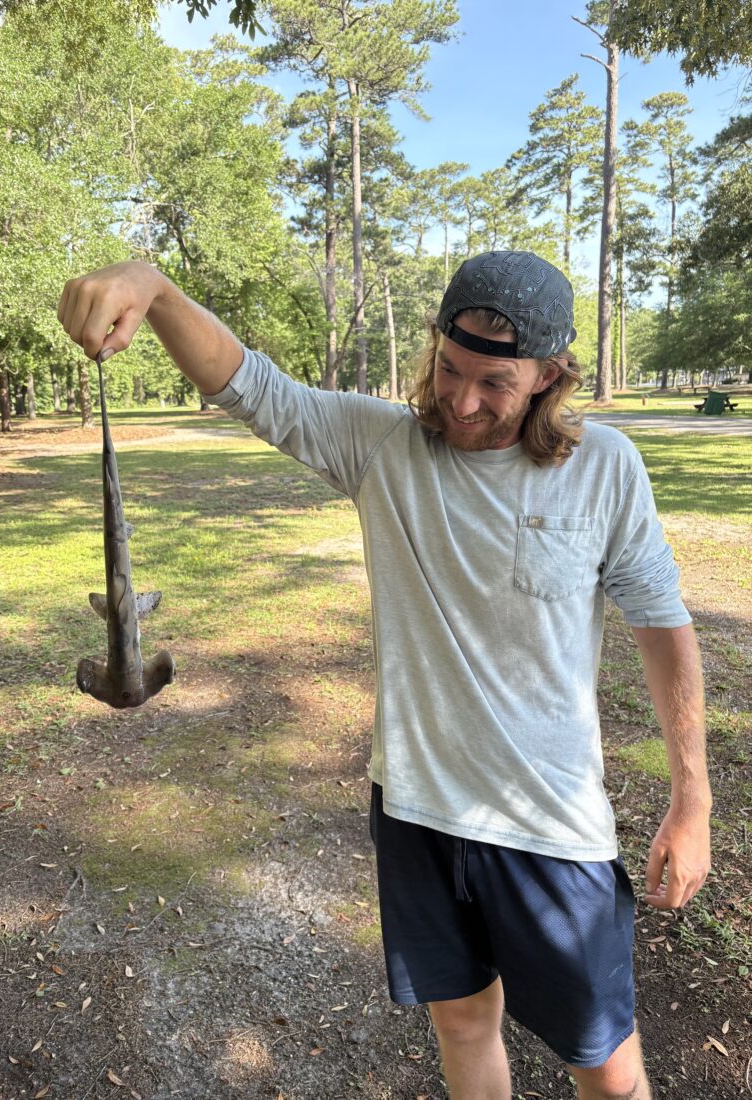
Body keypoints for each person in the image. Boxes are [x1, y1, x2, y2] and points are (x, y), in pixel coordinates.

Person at [58, 251, 712, 1100]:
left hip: (548, 825)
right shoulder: (381, 447)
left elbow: (662, 629)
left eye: (495, 383)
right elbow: (252, 387)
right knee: (462, 1023)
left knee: (605, 1066)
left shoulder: (604, 468)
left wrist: (691, 800)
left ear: (551, 376)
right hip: (415, 807)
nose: (462, 400)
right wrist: (154, 287)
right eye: (449, 369)